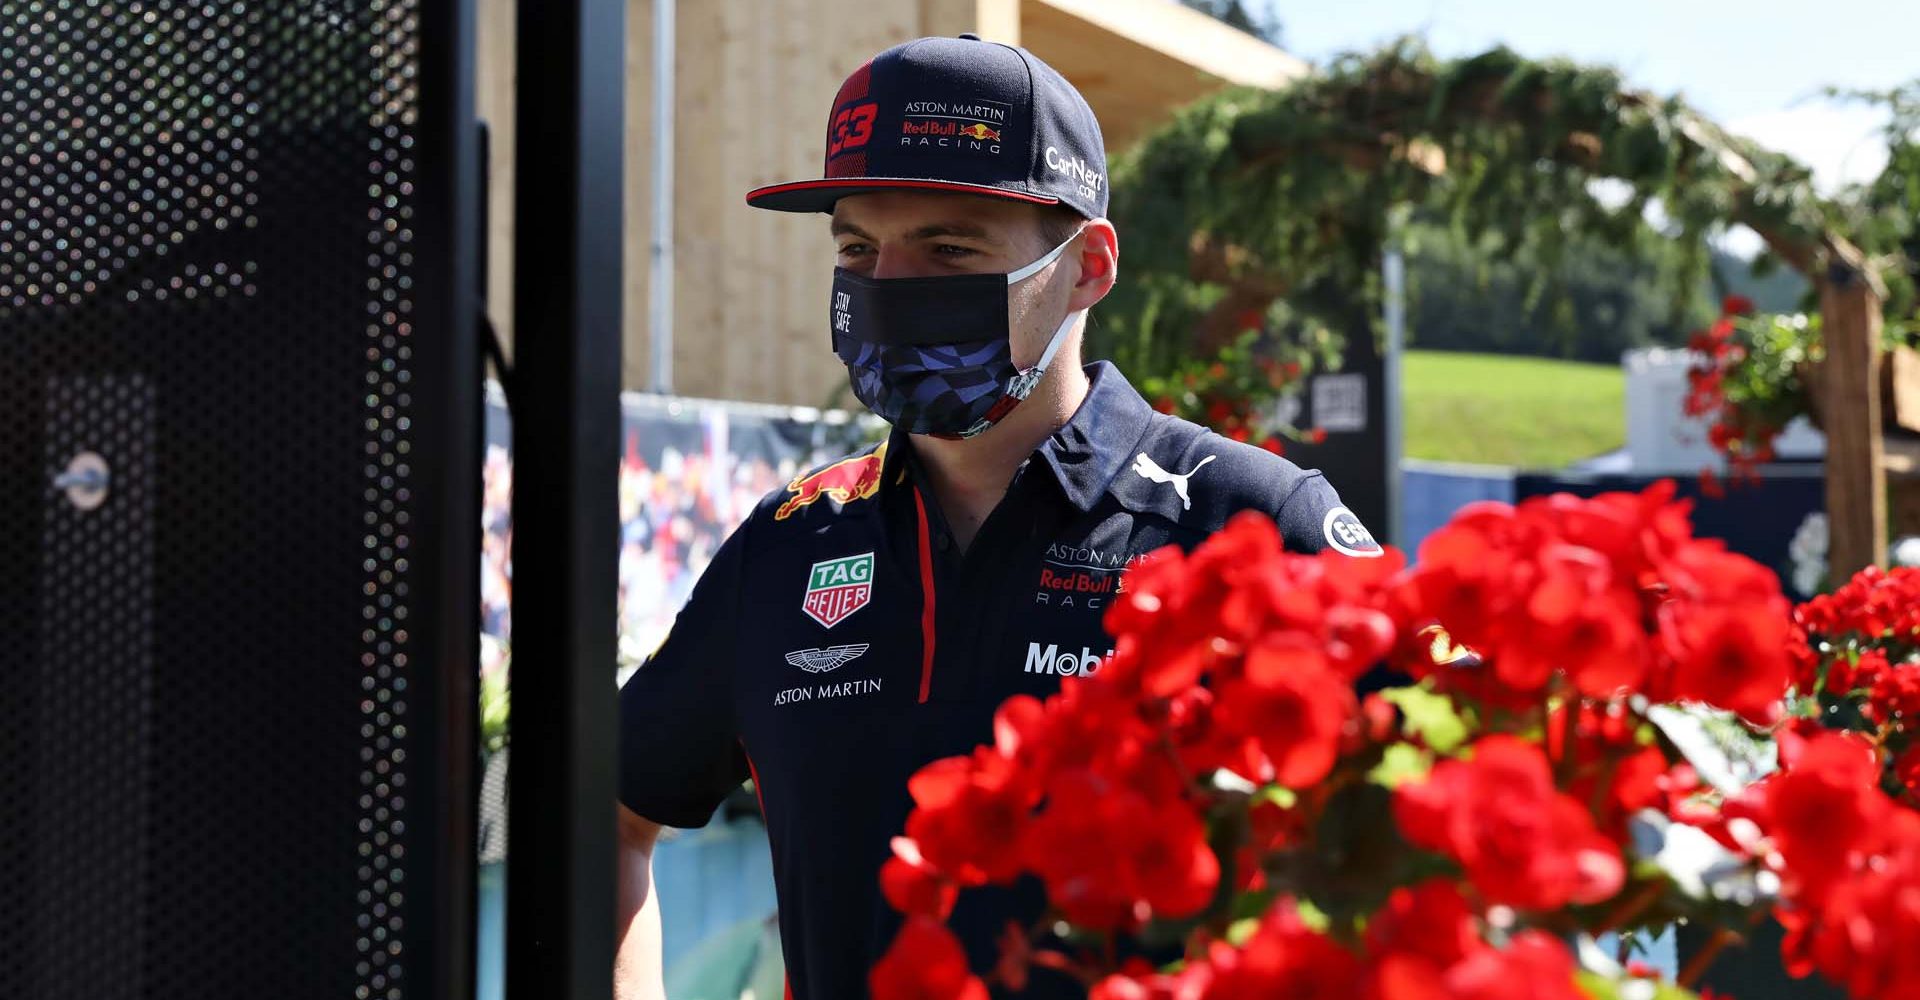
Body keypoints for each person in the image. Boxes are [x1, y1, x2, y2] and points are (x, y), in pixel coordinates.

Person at [614, 33, 1383, 1000]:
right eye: (857, 247)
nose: (886, 287)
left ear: (1089, 268)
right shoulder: (788, 546)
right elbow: (604, 813)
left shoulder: (1250, 524)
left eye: (949, 247)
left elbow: (1451, 816)